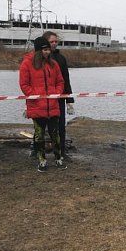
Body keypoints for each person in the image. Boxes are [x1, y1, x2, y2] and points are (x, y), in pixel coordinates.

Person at [19, 36, 65, 172]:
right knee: (39, 135)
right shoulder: (27, 63)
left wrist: (56, 94)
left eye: (48, 50)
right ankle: (42, 160)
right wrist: (36, 96)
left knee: (55, 134)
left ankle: (58, 158)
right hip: (37, 106)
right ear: (38, 50)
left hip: (53, 106)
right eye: (45, 50)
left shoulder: (53, 64)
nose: (47, 52)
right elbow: (24, 84)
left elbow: (60, 81)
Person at [43, 31, 75, 159]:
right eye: (52, 42)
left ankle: (62, 151)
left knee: (61, 126)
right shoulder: (39, 58)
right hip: (43, 99)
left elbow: (66, 80)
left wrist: (69, 100)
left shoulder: (61, 59)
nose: (54, 44)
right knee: (41, 125)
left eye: (56, 41)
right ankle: (36, 150)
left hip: (59, 97)